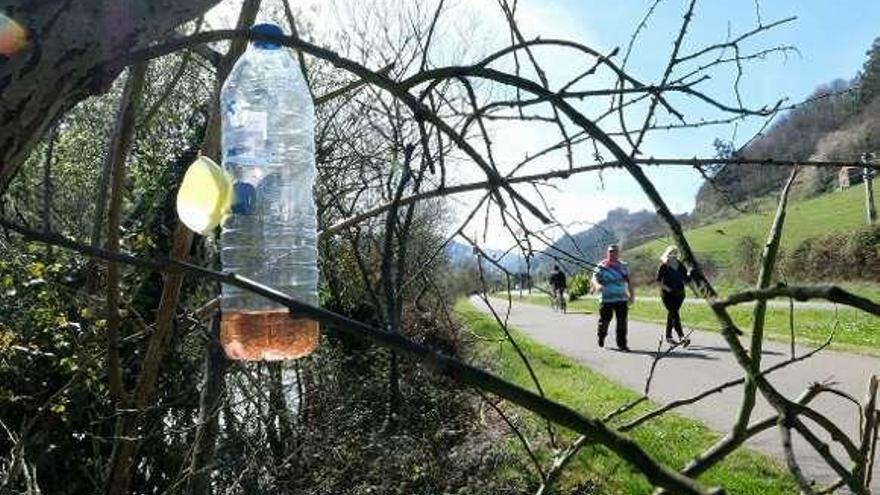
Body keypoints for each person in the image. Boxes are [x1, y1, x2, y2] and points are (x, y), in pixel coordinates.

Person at [591, 244, 634, 351]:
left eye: (614, 251)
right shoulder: (601, 266)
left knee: (622, 322)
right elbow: (594, 279)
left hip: (621, 299)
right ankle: (601, 336)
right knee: (604, 321)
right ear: (607, 253)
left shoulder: (624, 266)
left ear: (618, 253)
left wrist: (632, 295)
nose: (612, 253)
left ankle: (622, 344)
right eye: (610, 251)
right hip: (606, 300)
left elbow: (630, 282)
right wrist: (597, 286)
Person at [656, 246, 690, 347]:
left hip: (680, 294)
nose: (674, 255)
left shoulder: (680, 265)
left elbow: (686, 279)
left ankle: (668, 336)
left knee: (672, 314)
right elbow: (658, 281)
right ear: (668, 254)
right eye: (672, 253)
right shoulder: (664, 266)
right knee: (674, 313)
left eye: (676, 253)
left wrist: (692, 272)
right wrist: (667, 289)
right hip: (667, 295)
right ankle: (682, 336)